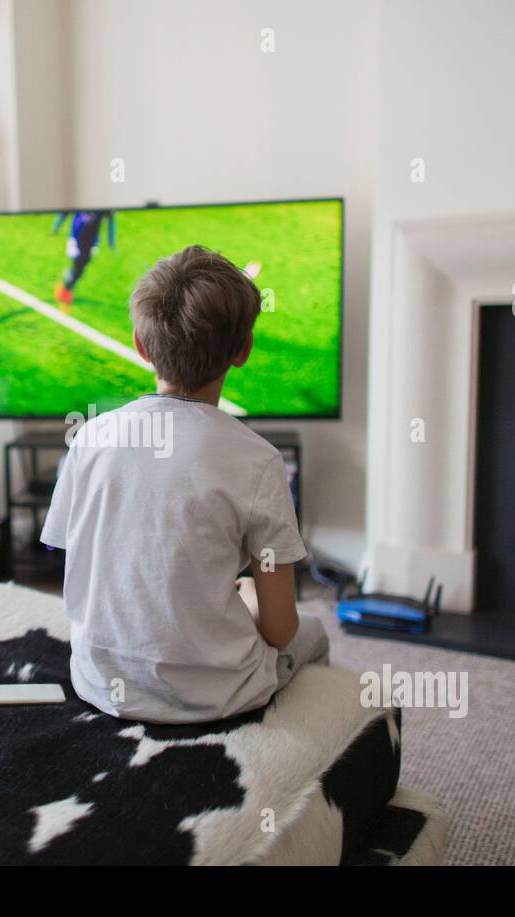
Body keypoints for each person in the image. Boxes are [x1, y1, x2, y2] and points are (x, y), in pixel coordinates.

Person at [41, 245, 329, 723]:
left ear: (140, 343)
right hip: (217, 696)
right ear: (243, 351)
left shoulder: (89, 437)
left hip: (97, 681)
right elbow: (280, 631)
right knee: (314, 630)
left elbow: (87, 567)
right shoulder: (258, 460)